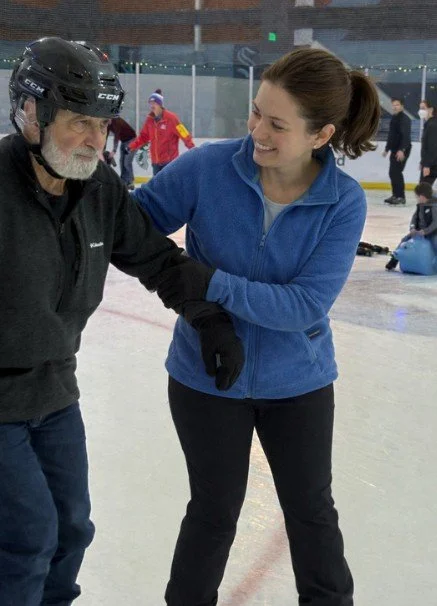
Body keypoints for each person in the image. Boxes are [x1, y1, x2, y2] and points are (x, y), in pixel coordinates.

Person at [0, 36, 244, 606]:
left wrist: (208, 318)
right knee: (26, 539)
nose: (95, 139)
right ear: (31, 113)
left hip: (56, 393)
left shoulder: (98, 189)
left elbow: (157, 257)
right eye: (78, 121)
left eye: (103, 122)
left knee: (71, 530)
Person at [132, 47, 381, 605]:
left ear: (321, 135)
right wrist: (183, 288)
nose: (257, 132)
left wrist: (210, 282)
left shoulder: (342, 202)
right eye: (255, 113)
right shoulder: (207, 169)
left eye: (277, 124)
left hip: (300, 384)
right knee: (214, 512)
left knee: (312, 514)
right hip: (205, 376)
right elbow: (132, 229)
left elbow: (304, 306)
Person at [128, 89, 195, 175]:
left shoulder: (171, 118)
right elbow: (143, 137)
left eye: (154, 103)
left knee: (169, 186)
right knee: (157, 187)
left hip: (169, 162)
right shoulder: (150, 120)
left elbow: (184, 134)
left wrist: (192, 148)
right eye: (150, 103)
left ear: (160, 104)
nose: (152, 106)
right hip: (156, 162)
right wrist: (131, 147)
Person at [385, 181, 437, 270]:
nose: (416, 198)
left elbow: (435, 223)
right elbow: (414, 218)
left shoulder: (434, 207)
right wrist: (412, 228)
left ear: (422, 196)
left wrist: (425, 231)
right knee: (404, 240)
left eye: (417, 196)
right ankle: (394, 260)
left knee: (435, 243)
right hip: (419, 231)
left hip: (433, 232)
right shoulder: (420, 205)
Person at [382, 97, 412, 205]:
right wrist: (387, 149)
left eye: (397, 105)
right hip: (395, 149)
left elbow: (406, 136)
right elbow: (392, 135)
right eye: (393, 105)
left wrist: (401, 150)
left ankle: (401, 197)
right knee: (393, 173)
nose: (395, 107)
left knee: (396, 172)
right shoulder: (394, 118)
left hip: (402, 149)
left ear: (402, 106)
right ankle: (395, 195)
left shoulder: (404, 119)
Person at [106, 115, 137, 189]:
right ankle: (123, 181)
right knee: (121, 161)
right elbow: (105, 136)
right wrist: (102, 149)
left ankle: (130, 182)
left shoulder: (117, 121)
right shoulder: (108, 124)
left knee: (127, 162)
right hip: (124, 141)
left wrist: (114, 150)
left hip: (132, 140)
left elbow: (116, 137)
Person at [418, 100, 437, 187]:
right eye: (420, 108)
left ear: (431, 109)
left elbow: (432, 147)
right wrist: (423, 162)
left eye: (423, 108)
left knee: (423, 191)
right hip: (430, 163)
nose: (420, 111)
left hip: (432, 165)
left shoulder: (432, 125)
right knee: (424, 190)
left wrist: (427, 165)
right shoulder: (429, 124)